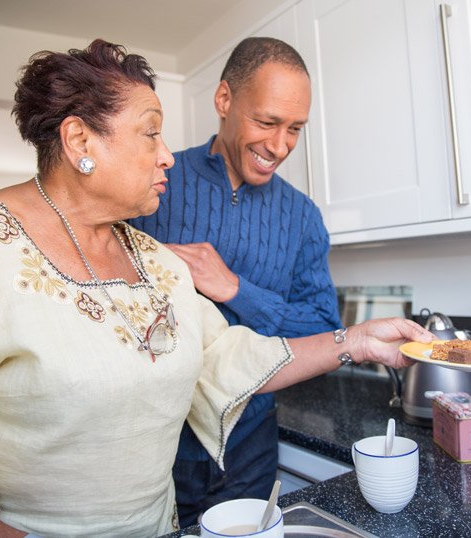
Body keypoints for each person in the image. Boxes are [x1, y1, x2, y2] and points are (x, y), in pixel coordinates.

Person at [0, 39, 433, 537]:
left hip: (211, 480)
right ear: (78, 139)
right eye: (150, 133)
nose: (165, 154)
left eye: (295, 129)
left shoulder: (157, 258)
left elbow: (225, 353)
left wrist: (352, 338)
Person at [130, 37, 339, 526]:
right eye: (266, 122)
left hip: (252, 446)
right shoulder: (152, 183)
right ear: (225, 100)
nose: (279, 146)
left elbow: (324, 325)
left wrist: (234, 289)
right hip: (155, 447)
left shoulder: (303, 217)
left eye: (295, 130)